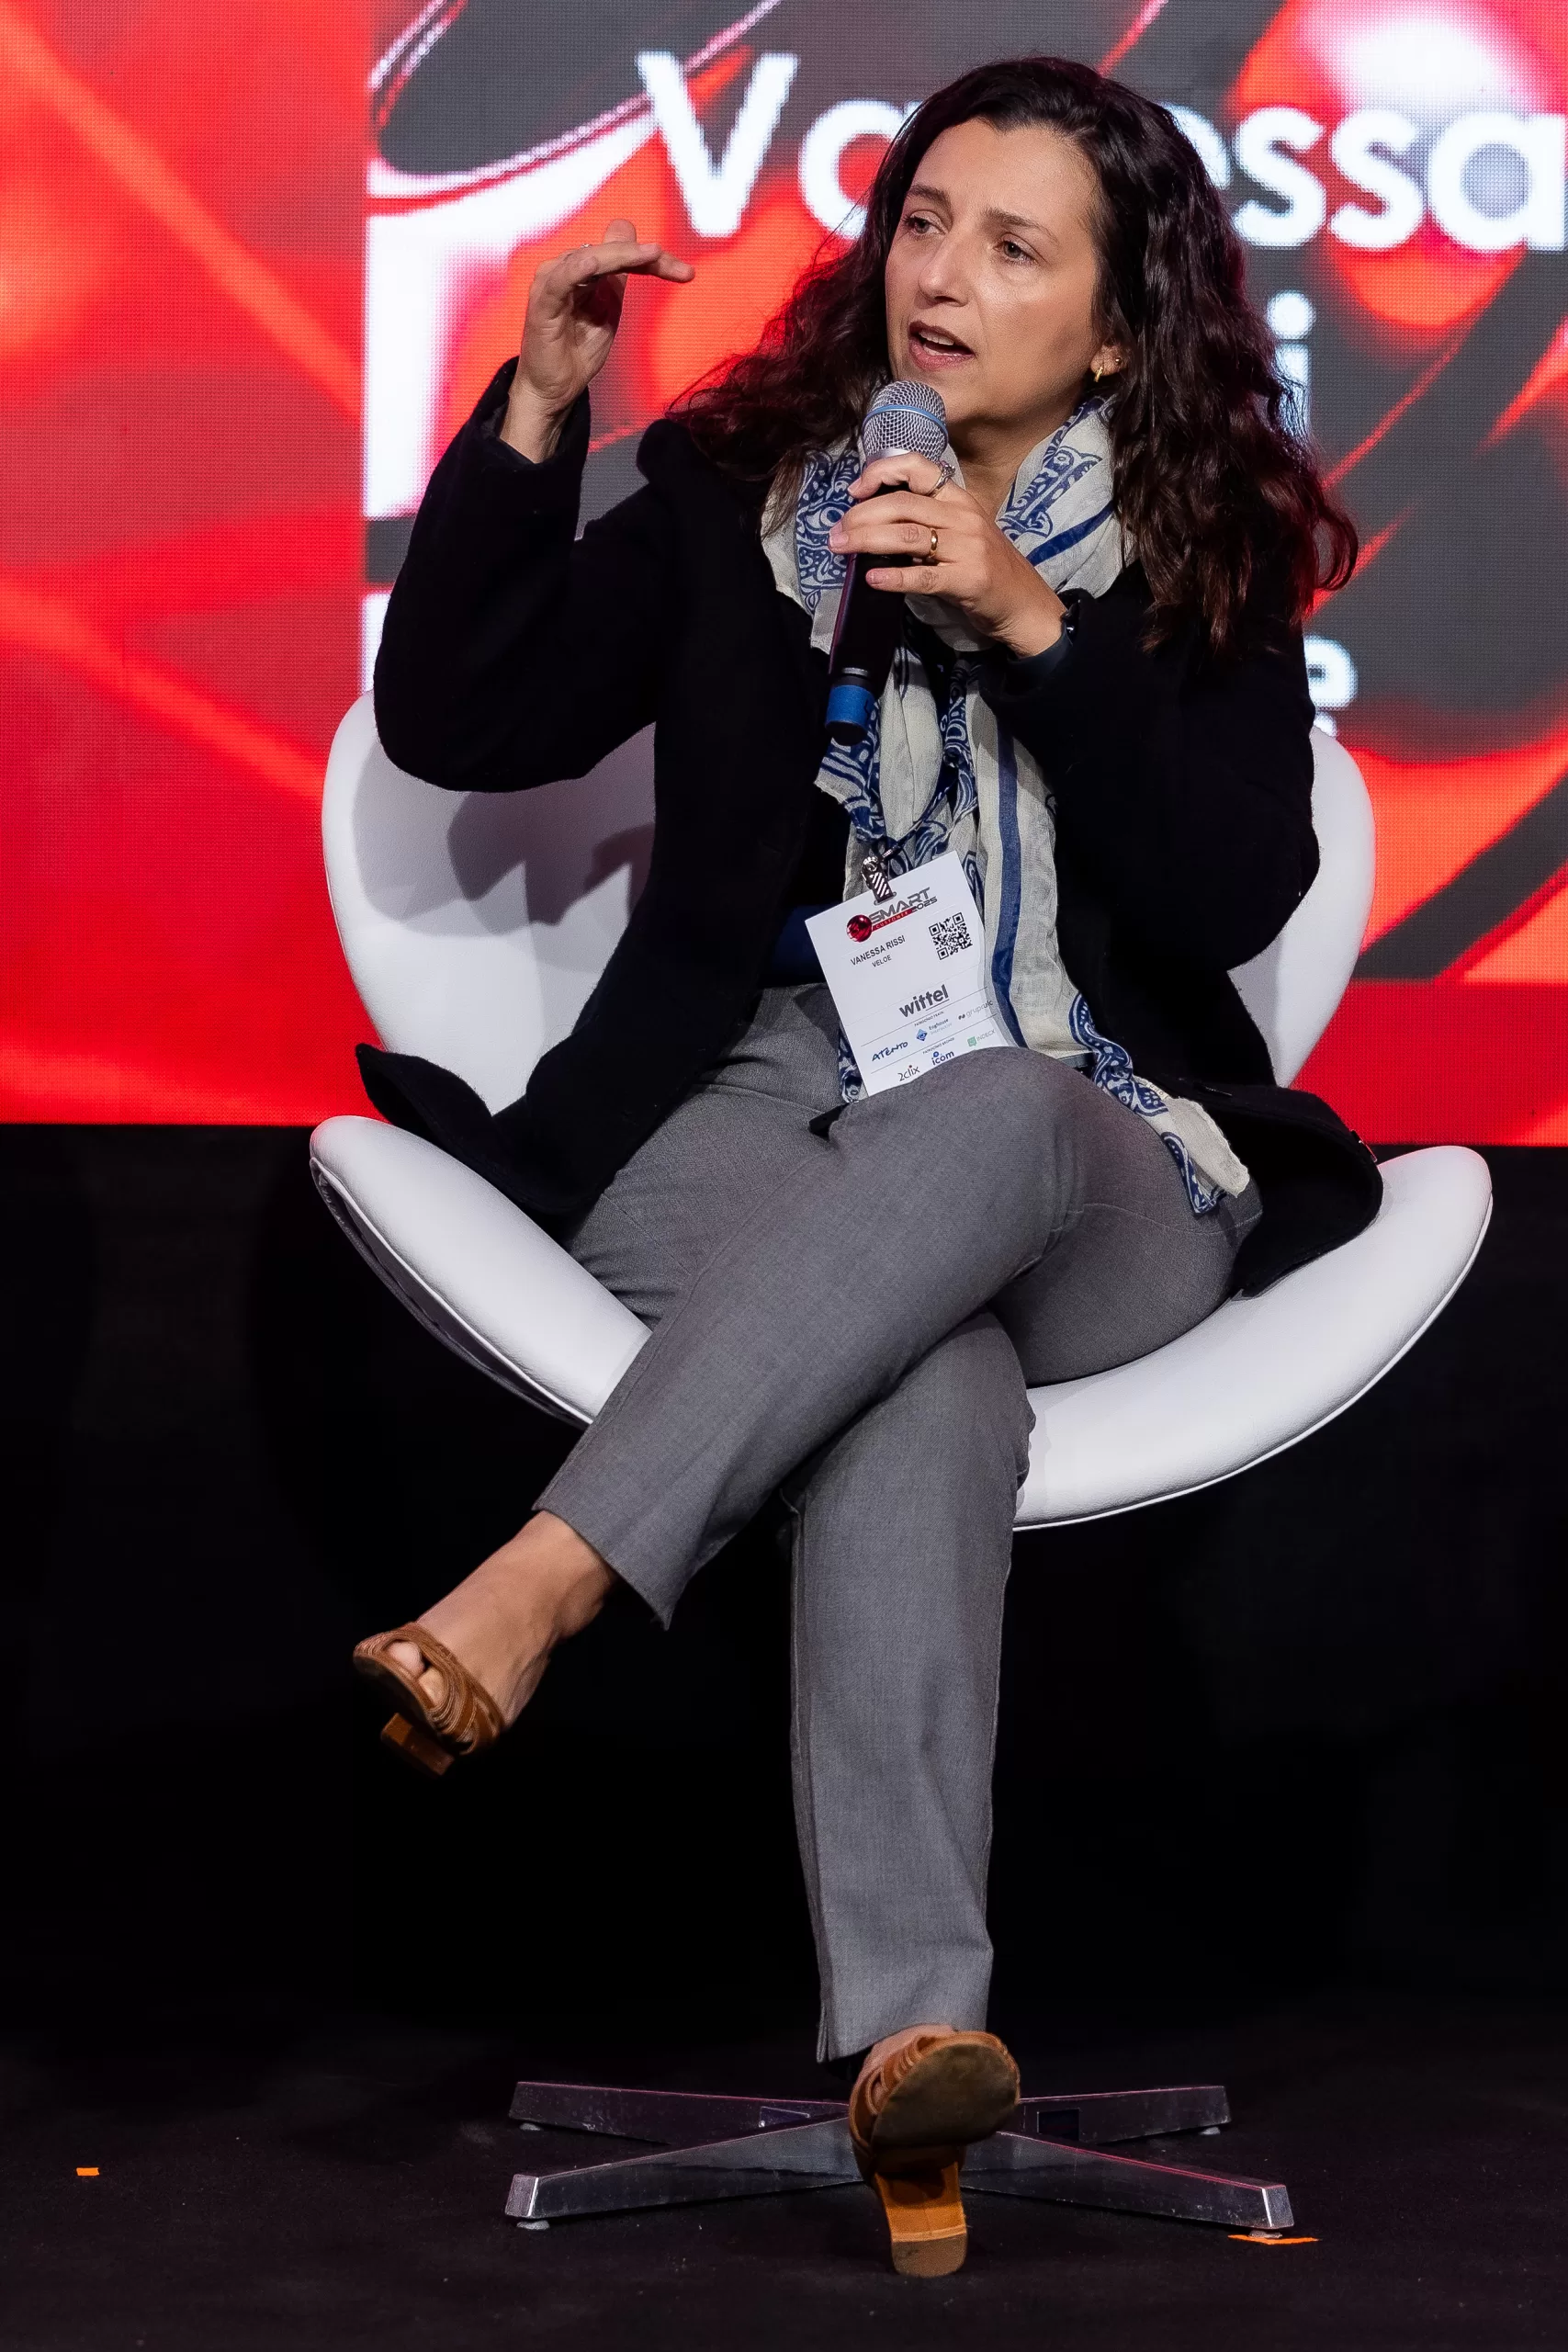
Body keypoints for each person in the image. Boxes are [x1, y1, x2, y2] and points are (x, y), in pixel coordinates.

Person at [351, 56, 1377, 2278]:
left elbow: (1229, 891)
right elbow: (457, 719)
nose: (941, 275)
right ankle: (918, 2049)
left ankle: (543, 1579)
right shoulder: (751, 494)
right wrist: (539, 413)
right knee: (918, 1371)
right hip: (744, 1099)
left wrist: (1027, 621)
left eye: (1012, 246)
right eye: (923, 220)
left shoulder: (1194, 560)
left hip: (1085, 1134)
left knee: (984, 1111)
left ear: (1113, 326)